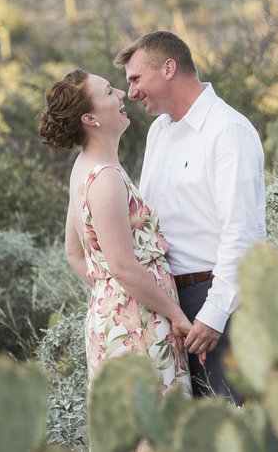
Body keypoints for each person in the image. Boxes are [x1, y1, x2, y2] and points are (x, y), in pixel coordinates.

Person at [114, 31, 266, 401]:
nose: (131, 92)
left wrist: (214, 313)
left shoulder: (227, 130)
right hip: (169, 306)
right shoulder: (158, 133)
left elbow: (243, 233)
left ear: (168, 68)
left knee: (232, 423)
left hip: (219, 302)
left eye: (136, 79)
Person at [37, 68, 192, 396]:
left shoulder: (85, 168)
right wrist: (174, 313)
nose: (122, 94)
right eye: (109, 92)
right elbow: (122, 266)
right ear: (90, 118)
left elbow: (74, 253)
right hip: (137, 325)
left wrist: (111, 292)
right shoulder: (105, 178)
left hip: (121, 316)